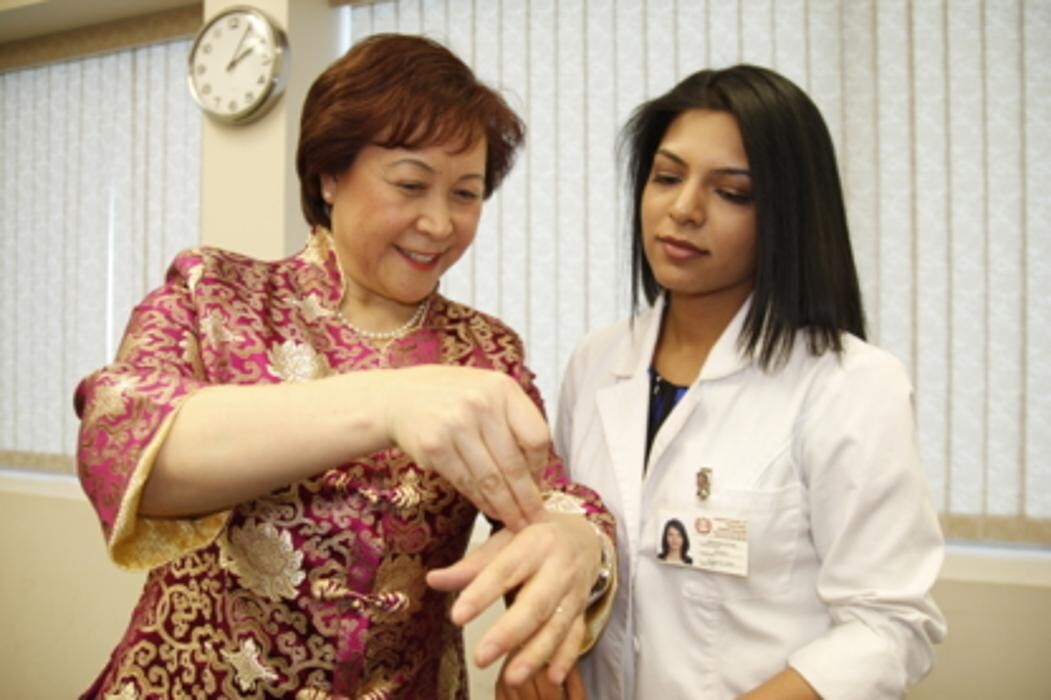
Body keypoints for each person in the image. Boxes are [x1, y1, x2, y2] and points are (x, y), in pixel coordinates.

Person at [74, 33, 615, 700]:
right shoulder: (216, 296)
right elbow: (125, 443)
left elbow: (548, 496)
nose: (440, 223)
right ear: (330, 175)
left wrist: (576, 540)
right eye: (411, 184)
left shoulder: (484, 351)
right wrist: (389, 403)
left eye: (466, 194)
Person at [522, 64, 947, 699]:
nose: (683, 209)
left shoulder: (849, 385)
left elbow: (889, 625)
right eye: (667, 177)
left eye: (732, 193)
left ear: (788, 216)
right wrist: (542, 644)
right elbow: (573, 545)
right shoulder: (596, 362)